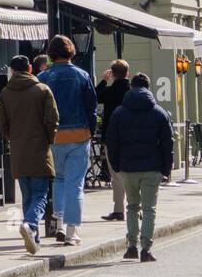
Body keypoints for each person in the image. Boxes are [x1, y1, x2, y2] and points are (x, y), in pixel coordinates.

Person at [106, 71, 174, 263]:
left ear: (132, 87)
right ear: (148, 87)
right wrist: (167, 169)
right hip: (152, 167)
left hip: (128, 167)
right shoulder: (159, 112)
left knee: (132, 206)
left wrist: (116, 163)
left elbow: (112, 141)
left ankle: (131, 247)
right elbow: (168, 143)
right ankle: (146, 249)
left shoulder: (119, 112)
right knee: (149, 208)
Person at [37, 35, 97, 246]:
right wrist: (92, 129)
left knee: (59, 180)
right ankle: (72, 231)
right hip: (79, 134)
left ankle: (60, 223)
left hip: (54, 136)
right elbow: (91, 106)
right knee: (76, 184)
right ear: (71, 52)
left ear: (51, 53)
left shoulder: (43, 76)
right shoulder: (82, 76)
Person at [0, 54, 59, 255]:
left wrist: (12, 137)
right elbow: (52, 119)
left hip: (18, 150)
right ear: (30, 68)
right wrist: (49, 139)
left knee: (28, 196)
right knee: (41, 195)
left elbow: (1, 123)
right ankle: (31, 225)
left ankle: (35, 239)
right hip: (40, 148)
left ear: (12, 71)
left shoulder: (5, 93)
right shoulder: (42, 90)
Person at [96, 59, 131, 221]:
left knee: (116, 176)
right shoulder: (132, 91)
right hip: (131, 137)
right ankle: (134, 208)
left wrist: (103, 80)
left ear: (112, 74)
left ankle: (119, 210)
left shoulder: (109, 92)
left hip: (111, 138)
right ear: (127, 74)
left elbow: (95, 96)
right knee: (132, 174)